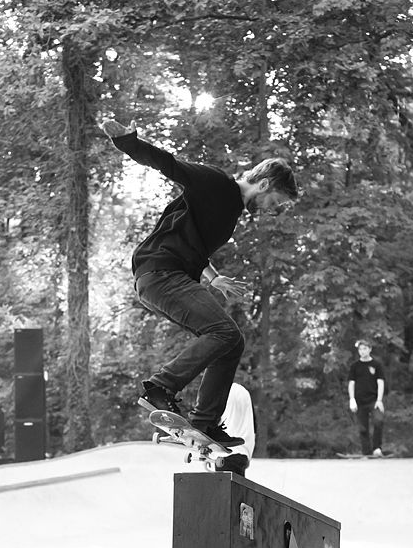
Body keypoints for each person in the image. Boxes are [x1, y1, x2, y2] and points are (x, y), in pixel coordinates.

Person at [100, 117, 298, 446]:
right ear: (264, 185)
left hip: (167, 275)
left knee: (231, 342)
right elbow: (170, 165)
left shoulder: (231, 209)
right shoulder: (217, 183)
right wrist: (128, 142)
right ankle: (160, 388)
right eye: (273, 201)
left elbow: (193, 245)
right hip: (160, 272)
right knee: (224, 332)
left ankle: (204, 421)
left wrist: (214, 277)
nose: (269, 209)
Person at [347, 339, 386, 457]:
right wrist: (352, 399)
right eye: (360, 349)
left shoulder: (376, 365)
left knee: (378, 421)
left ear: (370, 349)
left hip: (374, 400)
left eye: (365, 348)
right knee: (363, 428)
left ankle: (377, 448)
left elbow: (380, 383)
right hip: (360, 401)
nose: (362, 351)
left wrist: (379, 400)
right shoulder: (355, 366)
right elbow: (351, 383)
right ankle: (367, 452)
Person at [218, 382, 256, 476]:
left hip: (225, 452)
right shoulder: (244, 392)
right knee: (238, 489)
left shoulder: (220, 391)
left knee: (224, 489)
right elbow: (254, 425)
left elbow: (214, 420)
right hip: (243, 453)